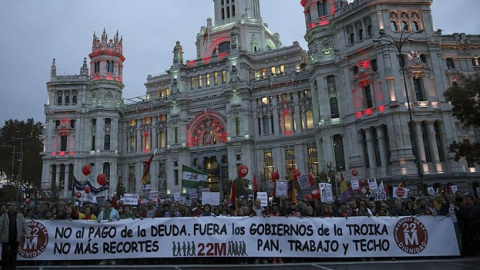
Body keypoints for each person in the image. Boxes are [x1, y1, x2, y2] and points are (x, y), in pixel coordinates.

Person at [0, 201, 30, 270]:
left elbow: (24, 225)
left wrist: (27, 233)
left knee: (13, 255)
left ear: (17, 207)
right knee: (5, 255)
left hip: (15, 238)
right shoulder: (4, 215)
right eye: (11, 205)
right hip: (5, 238)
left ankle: (13, 268)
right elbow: (0, 227)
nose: (13, 206)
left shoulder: (20, 215)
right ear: (9, 207)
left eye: (14, 205)